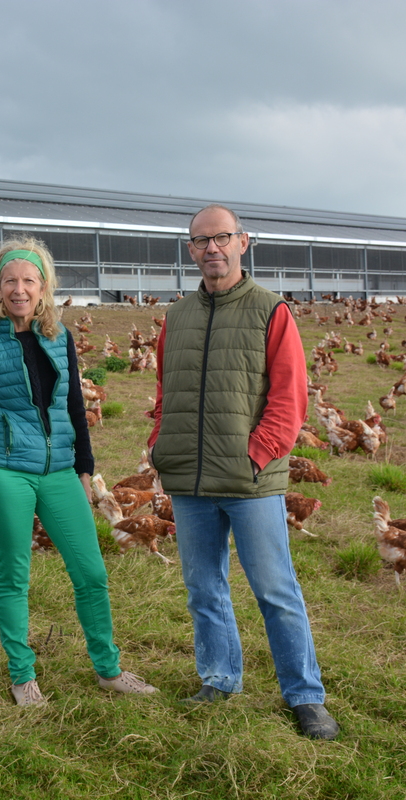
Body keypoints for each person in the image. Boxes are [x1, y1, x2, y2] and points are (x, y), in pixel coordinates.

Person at [147, 203, 339, 740]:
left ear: (243, 242)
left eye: (222, 238)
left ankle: (305, 695)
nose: (212, 248)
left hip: (251, 480)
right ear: (191, 250)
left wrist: (258, 454)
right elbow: (164, 393)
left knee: (276, 589)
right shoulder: (176, 317)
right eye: (201, 241)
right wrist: (160, 442)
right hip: (188, 480)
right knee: (203, 588)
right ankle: (219, 677)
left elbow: (290, 397)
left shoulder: (270, 310)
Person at [0, 236, 158, 706]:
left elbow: (72, 406)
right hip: (5, 471)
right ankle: (23, 675)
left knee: (91, 572)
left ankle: (108, 669)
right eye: (10, 280)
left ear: (44, 286)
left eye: (29, 280)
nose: (19, 289)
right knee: (14, 576)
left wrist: (85, 470)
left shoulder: (59, 336)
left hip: (60, 471)